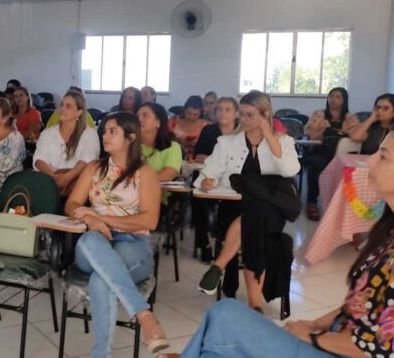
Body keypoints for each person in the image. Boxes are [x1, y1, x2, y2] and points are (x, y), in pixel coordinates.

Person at [161, 131, 394, 358]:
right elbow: (358, 305)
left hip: (343, 349)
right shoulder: (388, 232)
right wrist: (314, 323)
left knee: (224, 315)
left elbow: (380, 348)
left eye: (383, 156)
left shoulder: (278, 145)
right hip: (336, 339)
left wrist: (313, 338)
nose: (370, 160)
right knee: (218, 346)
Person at [65, 111, 168, 356]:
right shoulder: (94, 168)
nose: (105, 135)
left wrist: (101, 218)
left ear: (131, 137)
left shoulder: (145, 173)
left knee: (102, 280)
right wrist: (90, 218)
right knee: (90, 238)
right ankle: (144, 314)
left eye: (113, 131)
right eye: (104, 131)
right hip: (93, 244)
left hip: (134, 245)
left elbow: (149, 220)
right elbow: (71, 205)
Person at [194, 91, 300, 311]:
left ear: (265, 114)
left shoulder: (284, 142)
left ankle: (219, 265)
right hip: (234, 206)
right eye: (241, 114)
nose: (244, 120)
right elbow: (209, 170)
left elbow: (290, 170)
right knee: (254, 222)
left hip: (272, 208)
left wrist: (269, 136)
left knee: (257, 212)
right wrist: (206, 180)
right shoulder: (227, 142)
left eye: (250, 115)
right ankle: (254, 305)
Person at [191, 97, 239, 262]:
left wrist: (223, 163)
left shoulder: (242, 132)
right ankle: (203, 242)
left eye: (228, 109)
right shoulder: (209, 130)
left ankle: (223, 240)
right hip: (211, 175)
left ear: (236, 113)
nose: (223, 113)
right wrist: (219, 161)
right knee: (197, 195)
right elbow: (198, 156)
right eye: (219, 109)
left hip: (232, 179)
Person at [303, 87, 358, 220]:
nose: (333, 99)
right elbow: (309, 133)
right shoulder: (319, 114)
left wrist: (337, 131)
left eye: (338, 97)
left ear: (344, 100)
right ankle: (312, 203)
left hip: (343, 155)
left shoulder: (350, 118)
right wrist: (321, 133)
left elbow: (358, 135)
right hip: (321, 150)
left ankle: (342, 205)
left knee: (350, 169)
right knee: (317, 164)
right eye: (331, 96)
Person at [34, 91, 100, 196]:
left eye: (68, 106)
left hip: (79, 186)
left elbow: (88, 160)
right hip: (49, 183)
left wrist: (68, 177)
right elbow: (39, 159)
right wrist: (53, 176)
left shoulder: (90, 134)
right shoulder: (48, 133)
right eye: (62, 105)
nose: (62, 109)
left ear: (79, 112)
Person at [137, 102, 182, 182]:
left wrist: (139, 180)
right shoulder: (130, 144)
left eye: (145, 115)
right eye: (137, 116)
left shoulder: (172, 146)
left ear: (158, 122)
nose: (139, 119)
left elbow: (168, 174)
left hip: (159, 192)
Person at [168, 95, 210, 159]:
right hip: (172, 156)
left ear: (201, 113)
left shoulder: (206, 125)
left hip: (196, 160)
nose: (191, 117)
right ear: (184, 110)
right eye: (189, 113)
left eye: (195, 114)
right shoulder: (173, 121)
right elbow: (164, 138)